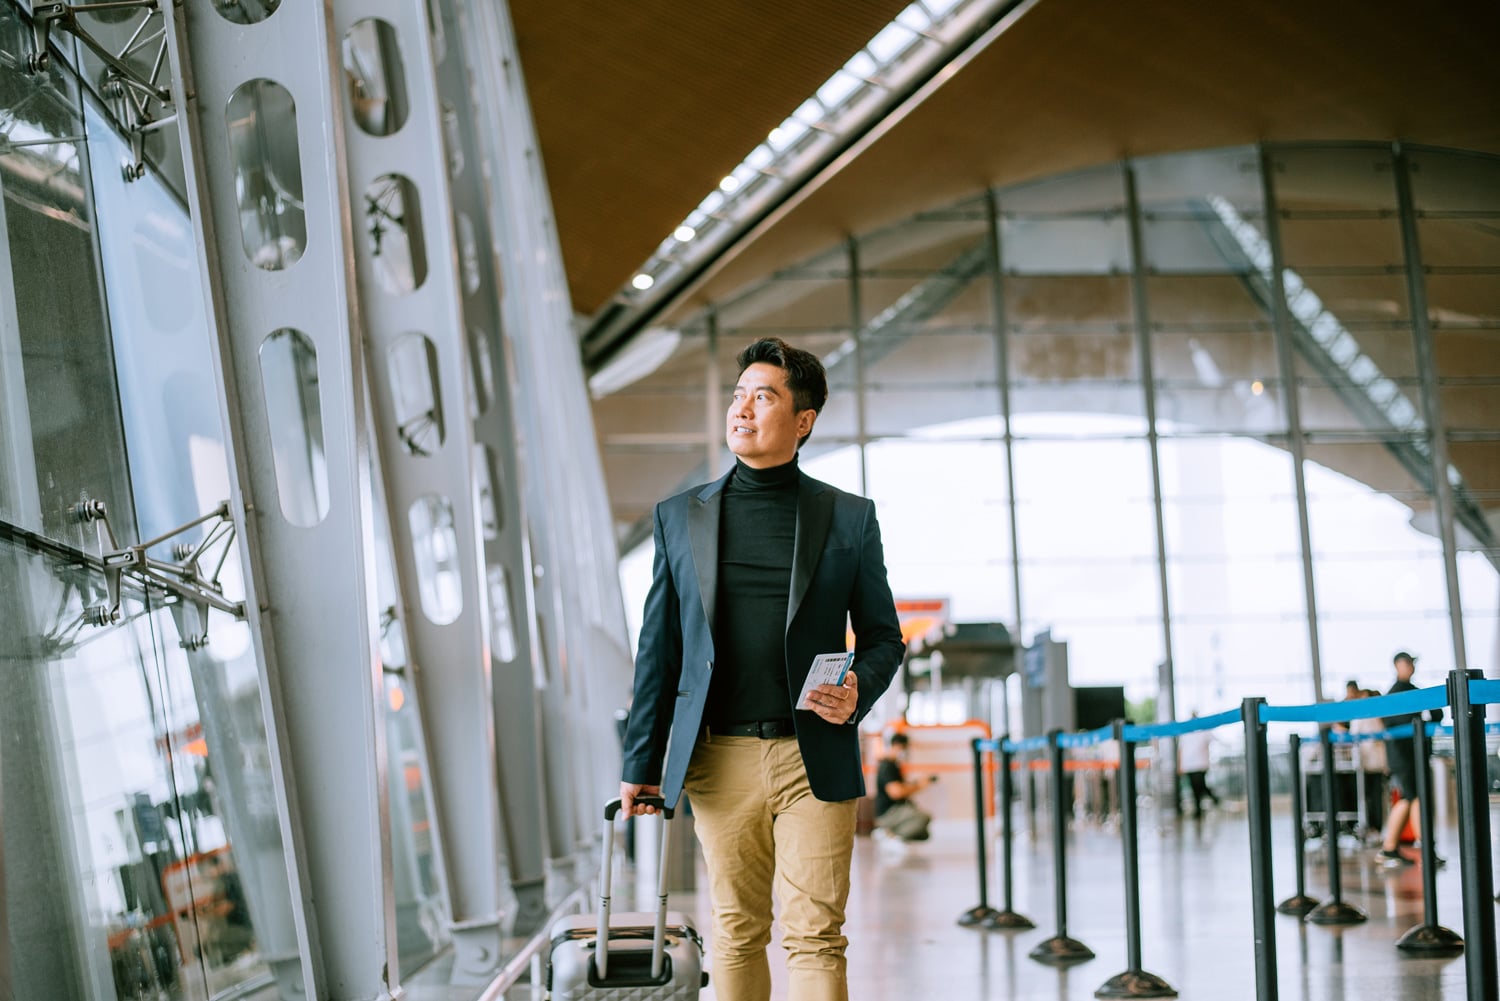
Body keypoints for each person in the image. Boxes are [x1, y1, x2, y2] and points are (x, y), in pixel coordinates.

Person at [618, 337, 905, 1001]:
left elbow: (884, 636)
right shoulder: (679, 517)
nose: (743, 407)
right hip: (719, 757)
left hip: (816, 754)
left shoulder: (849, 518)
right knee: (738, 928)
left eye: (764, 395)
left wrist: (859, 685)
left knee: (814, 935)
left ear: (802, 420)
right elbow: (657, 649)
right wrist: (640, 762)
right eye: (739, 393)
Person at [1376, 652, 1442, 865]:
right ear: (1397, 665)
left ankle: (1390, 847)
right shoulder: (1397, 693)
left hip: (1408, 755)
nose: (1412, 666)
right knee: (1413, 797)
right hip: (1404, 756)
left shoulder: (1410, 691)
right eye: (1408, 663)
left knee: (1409, 797)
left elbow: (1436, 714)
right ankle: (1423, 849)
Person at [873, 733, 936, 844]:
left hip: (896, 810)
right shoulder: (888, 766)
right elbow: (896, 792)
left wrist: (917, 783)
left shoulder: (894, 765)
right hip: (889, 812)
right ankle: (889, 835)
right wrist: (918, 786)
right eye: (905, 748)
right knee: (923, 818)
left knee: (923, 834)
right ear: (897, 746)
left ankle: (890, 833)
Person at [1177, 713, 1220, 818]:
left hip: (1200, 763)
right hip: (1190, 764)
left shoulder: (1203, 730)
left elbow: (1214, 740)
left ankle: (1201, 808)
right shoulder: (1186, 732)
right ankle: (1209, 802)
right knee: (1196, 787)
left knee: (1200, 786)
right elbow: (1181, 750)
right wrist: (1180, 765)